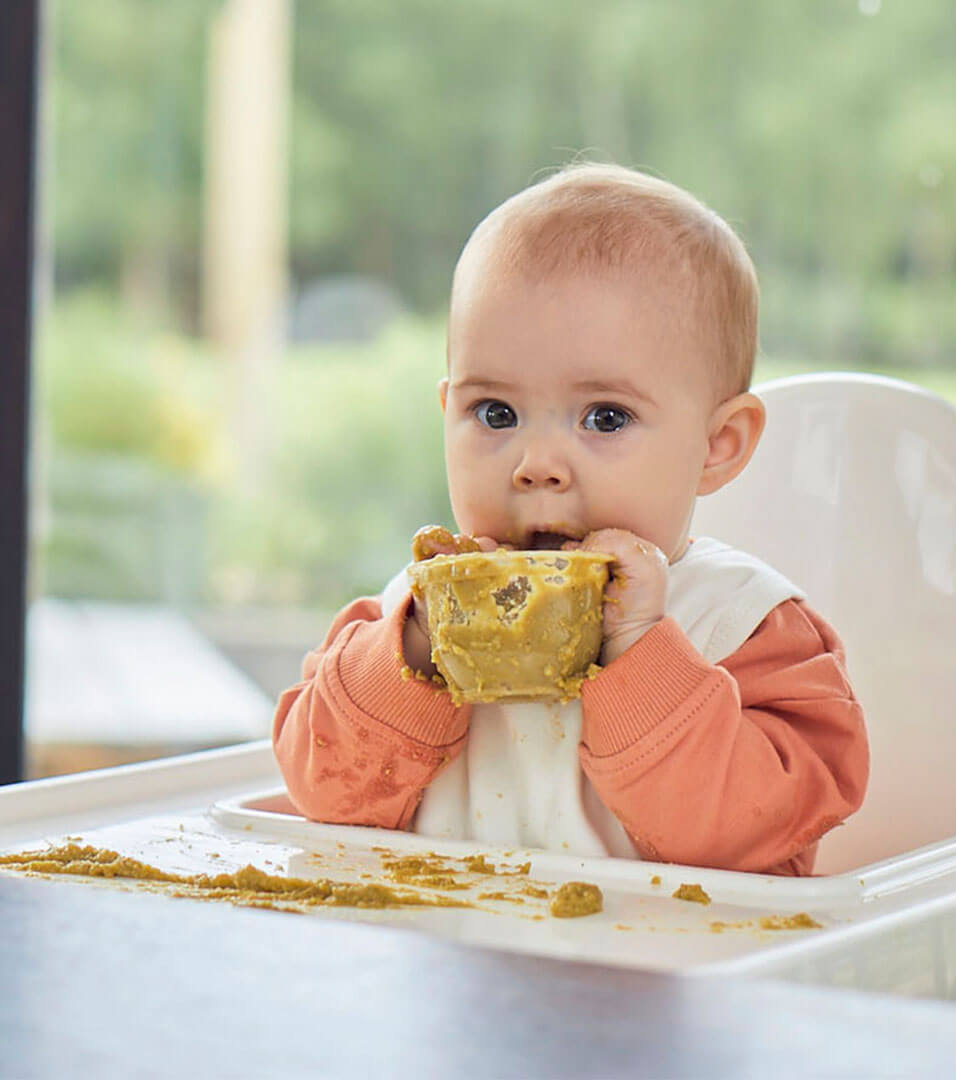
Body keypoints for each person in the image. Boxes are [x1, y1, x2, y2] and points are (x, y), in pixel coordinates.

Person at [273, 162, 869, 875]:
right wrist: (417, 656)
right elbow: (323, 796)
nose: (537, 464)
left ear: (718, 445)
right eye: (495, 414)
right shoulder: (411, 611)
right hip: (453, 966)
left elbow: (759, 830)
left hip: (673, 971)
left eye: (605, 418)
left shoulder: (746, 625)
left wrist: (641, 654)